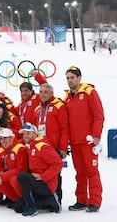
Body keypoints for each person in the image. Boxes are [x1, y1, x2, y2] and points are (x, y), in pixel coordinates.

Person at [64, 66, 104, 212]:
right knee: (80, 173)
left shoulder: (89, 92)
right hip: (75, 142)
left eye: (72, 77)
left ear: (79, 78)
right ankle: (81, 200)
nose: (70, 81)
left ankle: (95, 202)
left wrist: (96, 136)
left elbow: (98, 115)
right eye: (67, 78)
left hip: (88, 141)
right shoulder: (67, 97)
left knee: (92, 172)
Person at [15, 123, 62, 217]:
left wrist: (43, 176)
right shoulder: (31, 146)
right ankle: (49, 201)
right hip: (38, 182)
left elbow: (58, 164)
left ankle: (32, 208)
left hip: (46, 183)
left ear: (35, 134)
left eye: (28, 133)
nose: (25, 136)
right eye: (24, 134)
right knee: (18, 207)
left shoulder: (42, 146)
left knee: (21, 177)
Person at [33, 83, 69, 203]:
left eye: (45, 92)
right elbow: (34, 130)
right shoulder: (38, 109)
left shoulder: (59, 106)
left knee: (55, 174)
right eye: (41, 92)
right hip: (39, 148)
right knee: (41, 174)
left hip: (54, 147)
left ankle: (57, 199)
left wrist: (63, 147)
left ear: (51, 93)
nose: (42, 94)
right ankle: (45, 201)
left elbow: (64, 127)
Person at [0, 128, 28, 207]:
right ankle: (13, 199)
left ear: (11, 138)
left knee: (13, 180)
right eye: (1, 139)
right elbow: (0, 165)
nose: (3, 141)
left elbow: (22, 170)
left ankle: (22, 199)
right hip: (10, 175)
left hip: (20, 178)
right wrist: (0, 172)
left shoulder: (20, 149)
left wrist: (3, 176)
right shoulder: (4, 150)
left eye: (5, 138)